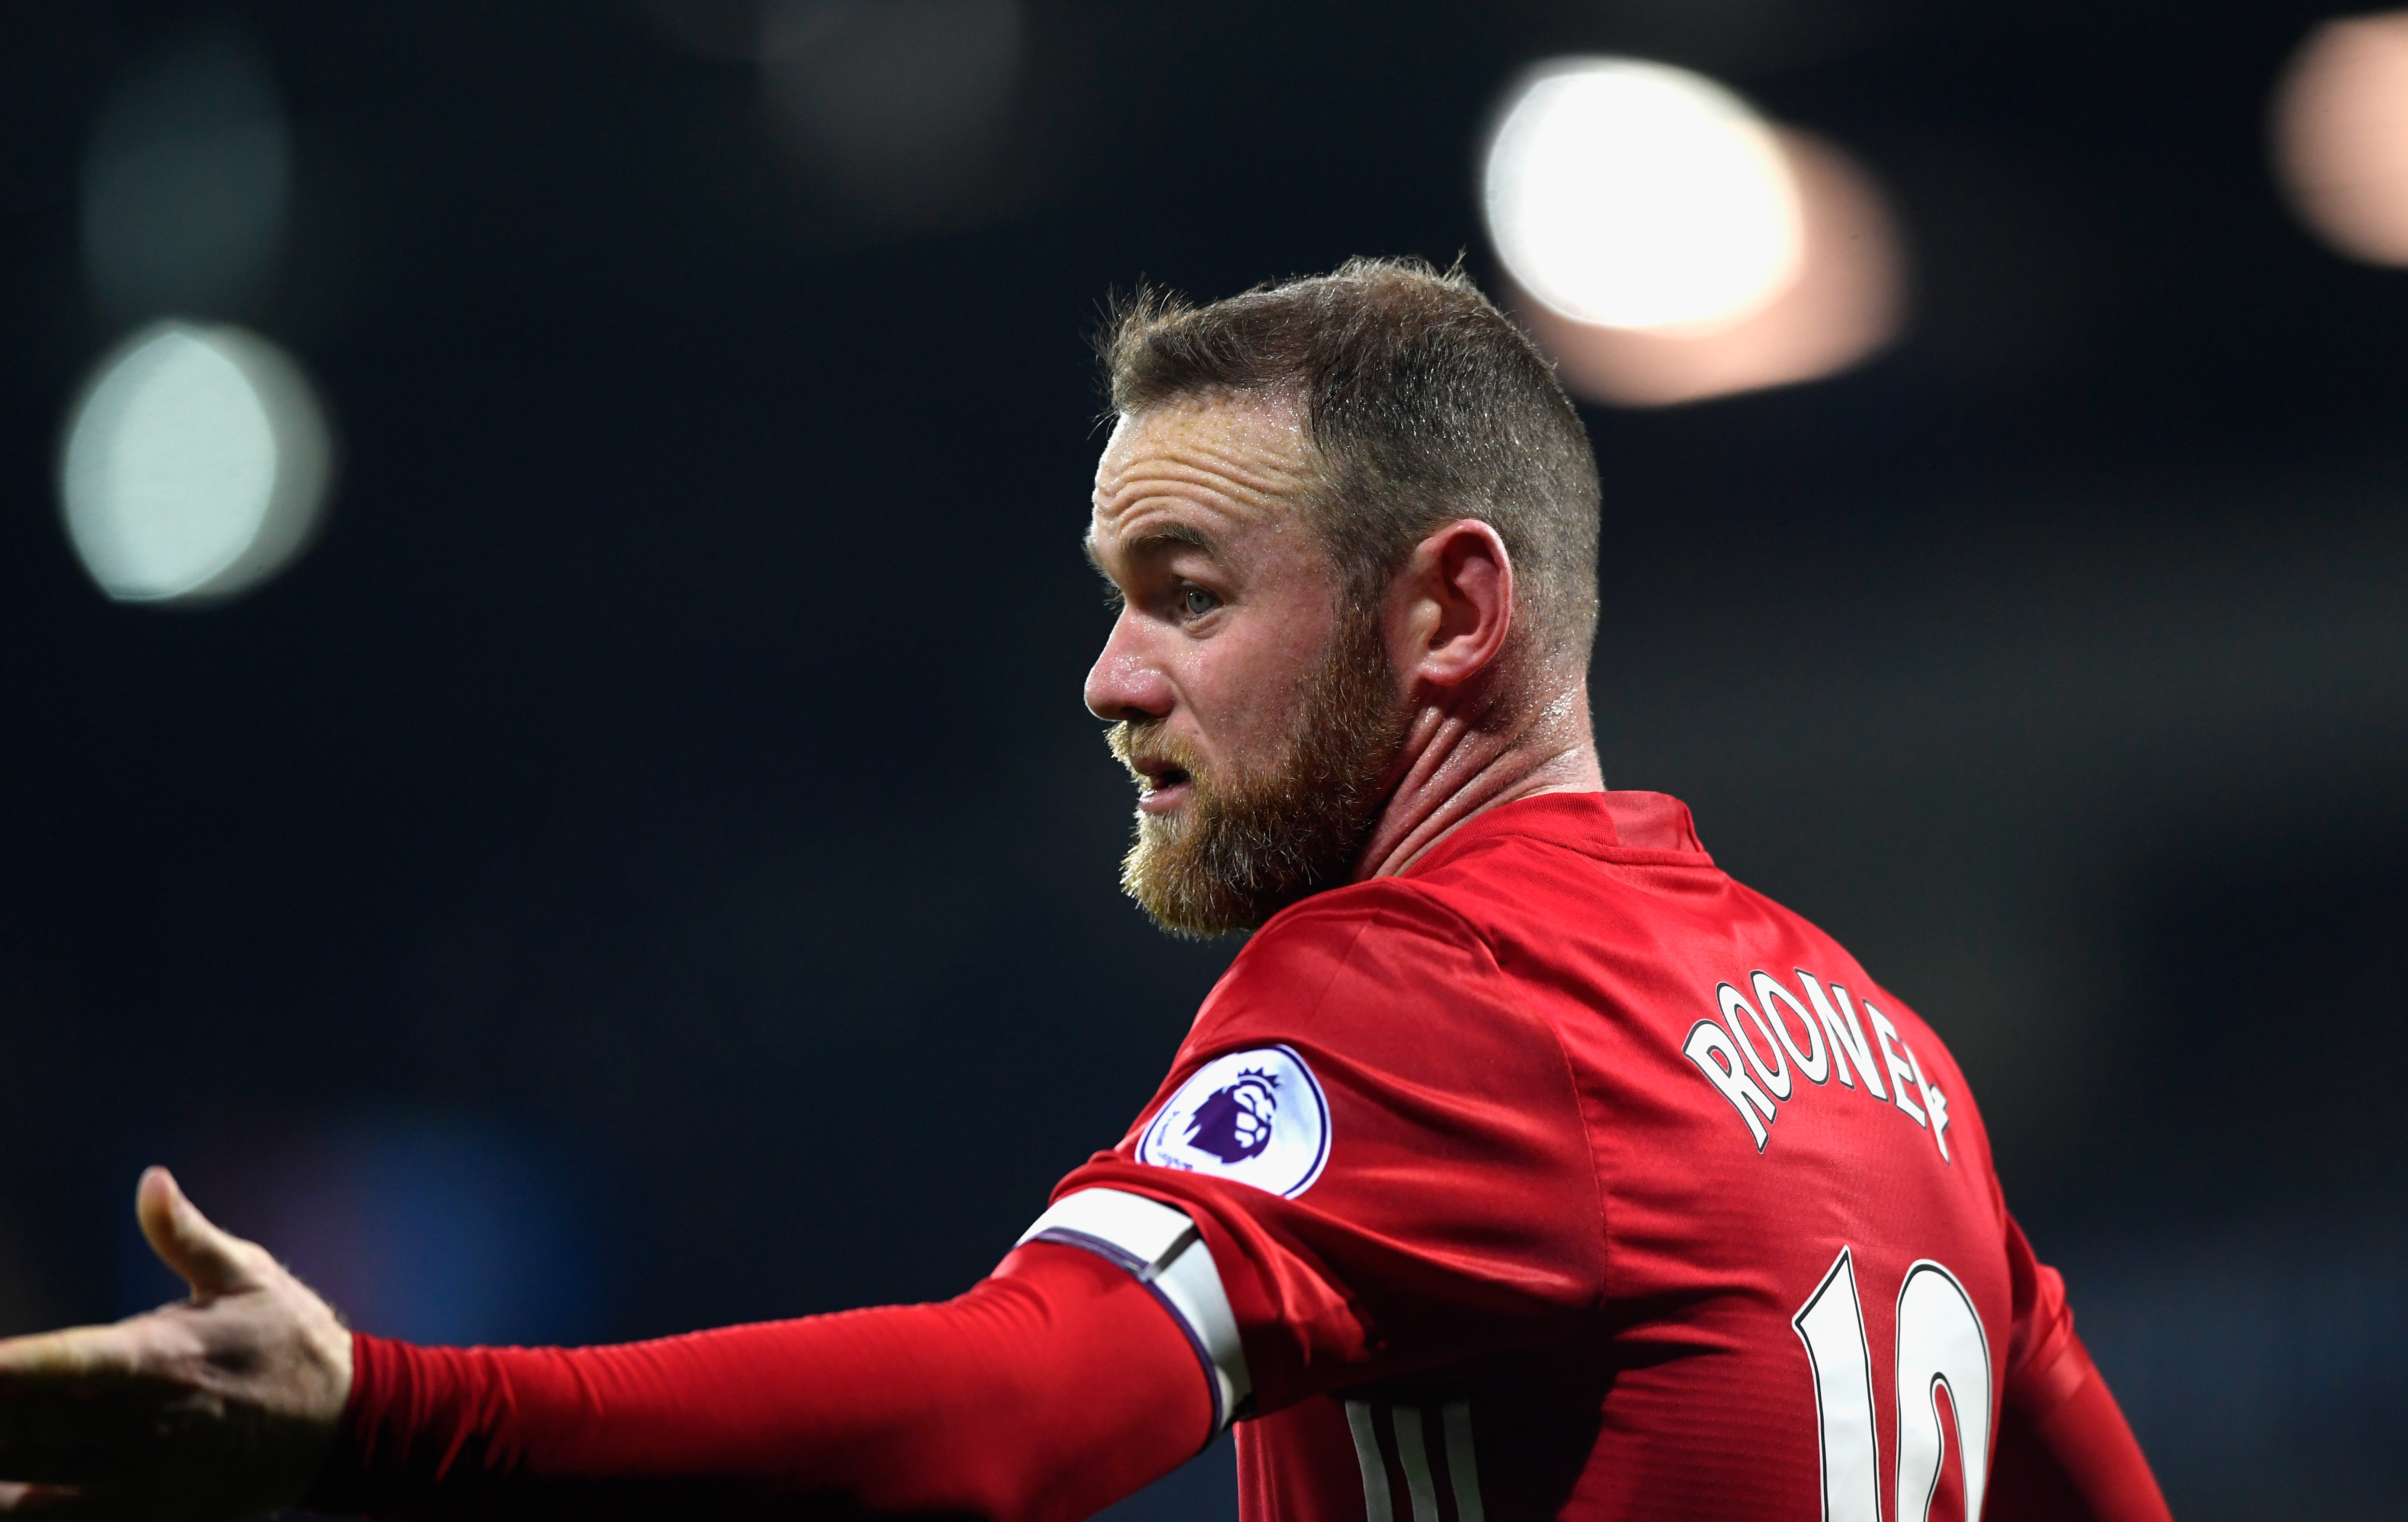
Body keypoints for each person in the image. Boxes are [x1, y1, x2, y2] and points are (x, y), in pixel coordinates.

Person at [0, 259, 2169, 1522]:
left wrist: (383, 1412)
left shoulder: (1428, 989)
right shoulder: (1890, 1059)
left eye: (1188, 594)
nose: (1113, 677)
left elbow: (1006, 1408)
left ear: (1450, 614)